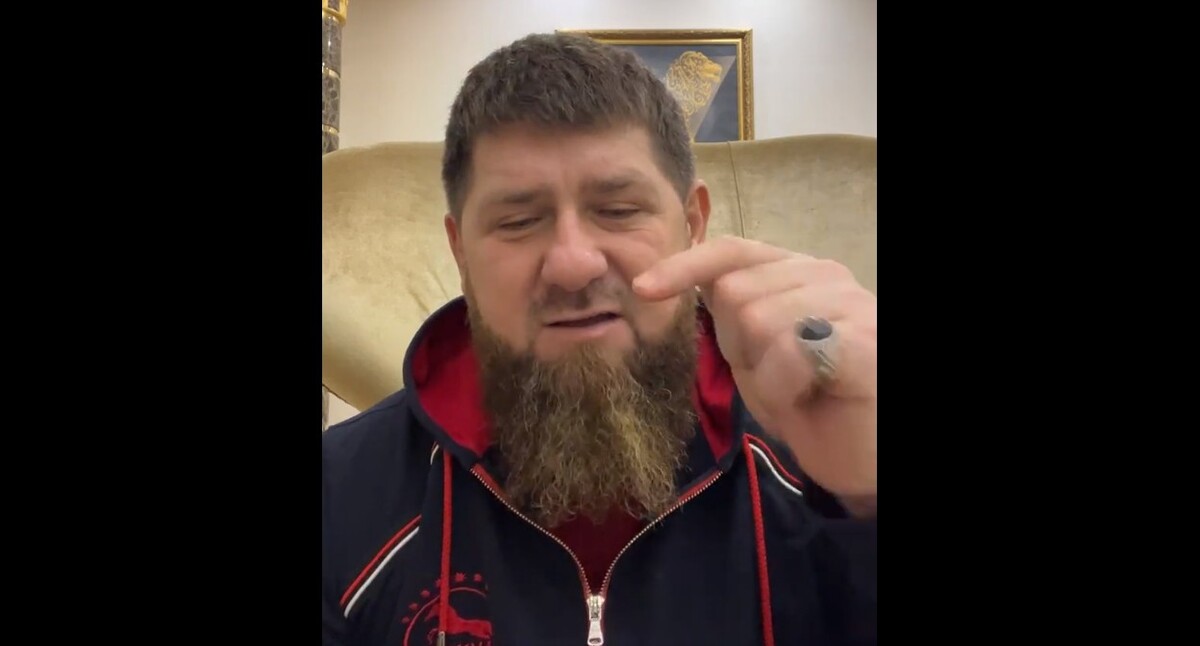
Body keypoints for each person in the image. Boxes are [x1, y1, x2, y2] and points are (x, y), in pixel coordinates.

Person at [322, 32, 877, 646]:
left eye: (618, 210)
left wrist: (868, 493)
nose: (573, 264)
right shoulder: (339, 498)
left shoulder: (820, 458)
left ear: (692, 225)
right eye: (518, 221)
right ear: (460, 252)